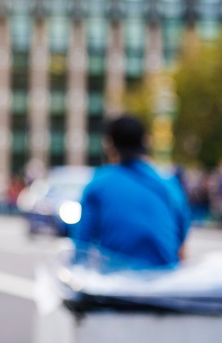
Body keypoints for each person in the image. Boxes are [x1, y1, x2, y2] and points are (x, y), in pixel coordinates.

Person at [74, 114, 192, 269]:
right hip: (164, 282)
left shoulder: (99, 184)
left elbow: (81, 246)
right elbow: (180, 243)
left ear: (109, 145)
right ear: (146, 142)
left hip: (117, 282)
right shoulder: (169, 185)